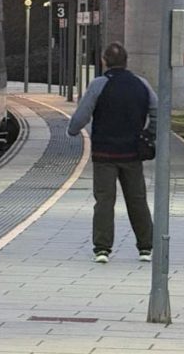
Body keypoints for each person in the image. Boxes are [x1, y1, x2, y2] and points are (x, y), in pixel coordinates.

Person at [67, 42, 156, 264]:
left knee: (104, 201)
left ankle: (102, 249)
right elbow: (157, 111)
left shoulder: (99, 85)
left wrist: (73, 130)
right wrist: (149, 134)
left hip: (104, 155)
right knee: (137, 200)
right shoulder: (141, 84)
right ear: (126, 62)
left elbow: (83, 114)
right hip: (132, 153)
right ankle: (146, 247)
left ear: (104, 62)